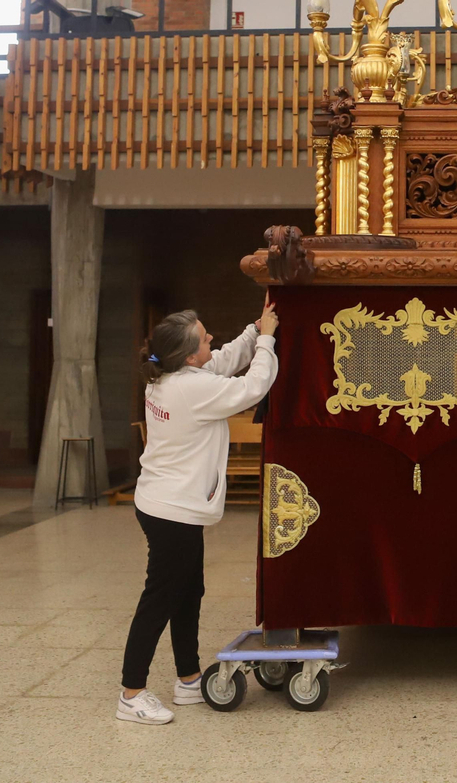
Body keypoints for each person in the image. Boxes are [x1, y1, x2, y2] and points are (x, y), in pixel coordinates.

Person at [115, 298, 279, 725]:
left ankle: (188, 679)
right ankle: (131, 693)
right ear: (188, 355)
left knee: (188, 594)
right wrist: (267, 340)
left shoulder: (173, 376)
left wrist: (256, 327)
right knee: (160, 600)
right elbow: (253, 387)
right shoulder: (191, 388)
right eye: (205, 337)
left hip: (166, 505)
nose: (211, 339)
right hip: (171, 511)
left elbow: (223, 361)